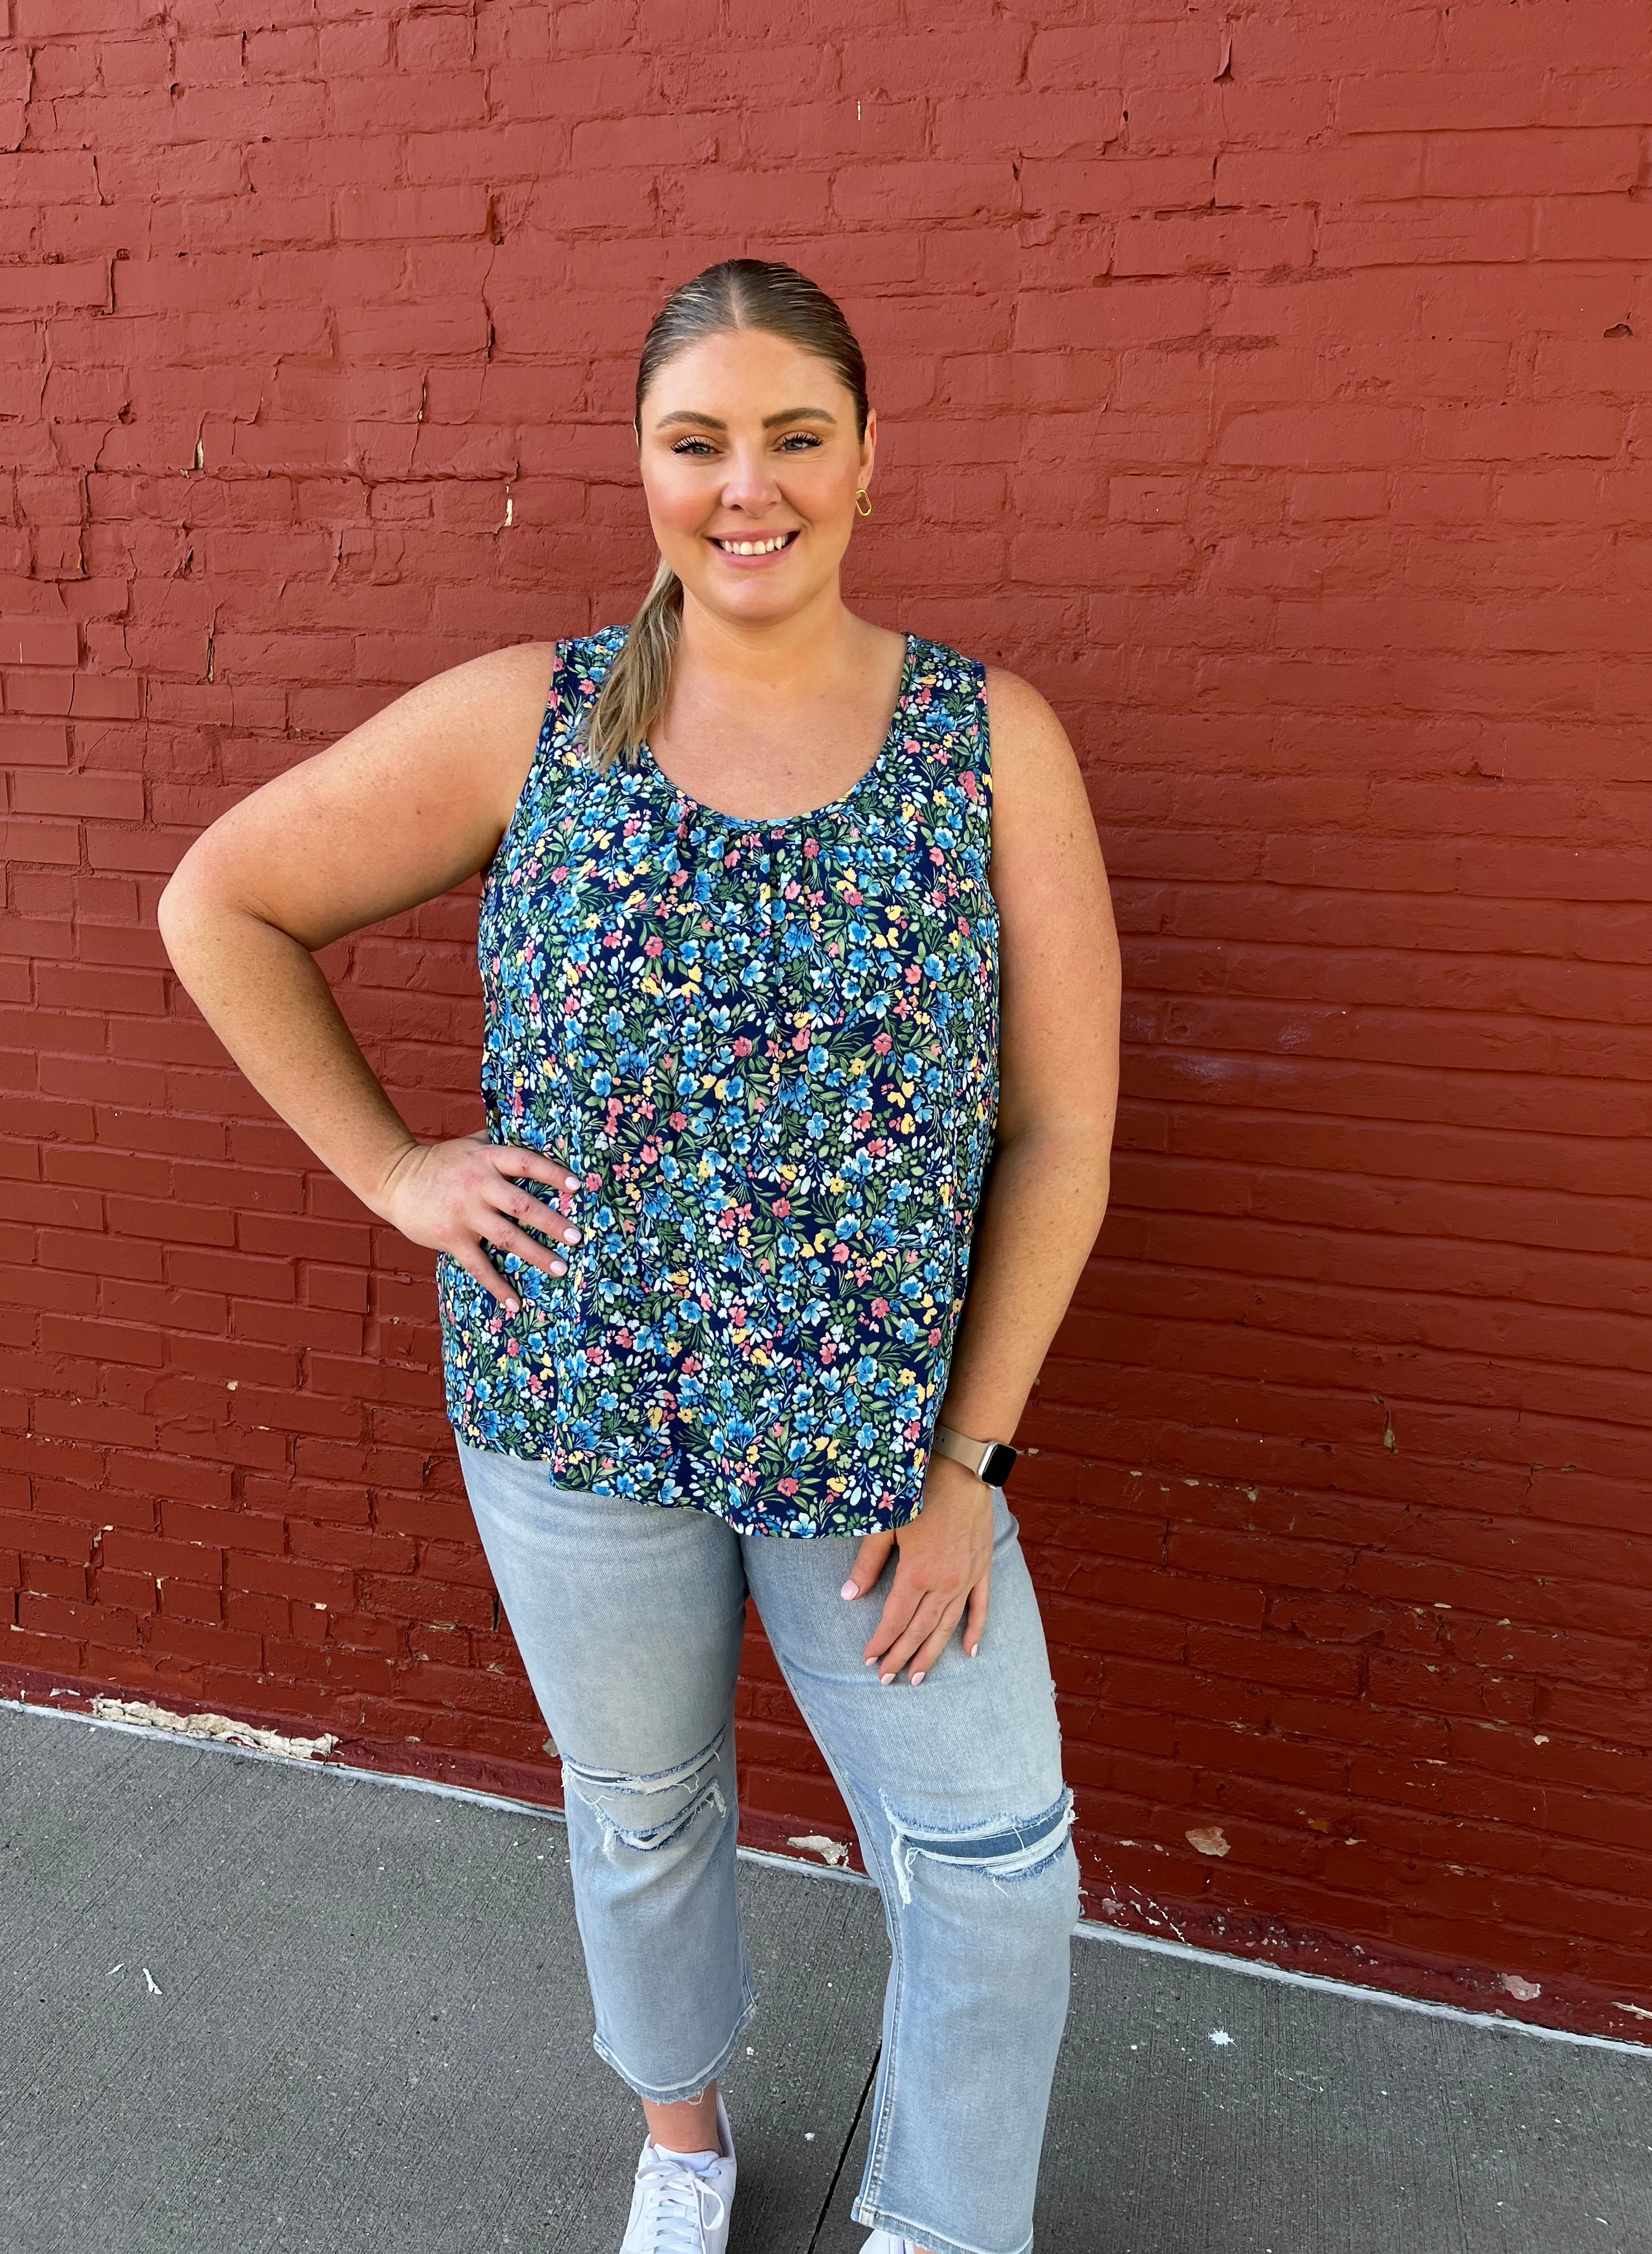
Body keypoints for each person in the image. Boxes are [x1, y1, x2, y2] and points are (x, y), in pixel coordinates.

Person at [158, 258, 1121, 2254]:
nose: (745, 486)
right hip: (576, 1414)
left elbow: (1060, 1133)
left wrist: (973, 1475)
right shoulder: (531, 724)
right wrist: (399, 1169)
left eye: (793, 436)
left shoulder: (988, 742)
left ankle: (943, 2229)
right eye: (698, 443)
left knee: (998, 1858)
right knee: (648, 1802)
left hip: (877, 1457)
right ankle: (683, 2142)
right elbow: (224, 902)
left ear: (868, 460)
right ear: (644, 470)